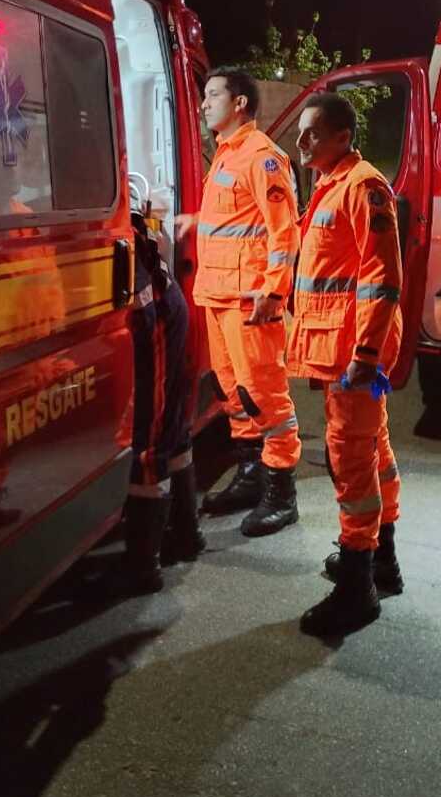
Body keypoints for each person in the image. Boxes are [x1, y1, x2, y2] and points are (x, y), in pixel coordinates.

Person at [287, 91, 403, 637]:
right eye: (301, 132)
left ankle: (358, 587)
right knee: (373, 450)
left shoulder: (363, 188)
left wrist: (366, 355)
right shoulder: (332, 183)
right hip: (341, 346)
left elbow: (383, 279)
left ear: (341, 137)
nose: (301, 141)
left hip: (353, 352)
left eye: (312, 133)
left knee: (351, 461)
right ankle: (382, 560)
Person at [179, 67, 302, 536]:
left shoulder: (262, 158)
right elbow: (234, 220)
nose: (203, 103)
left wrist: (273, 291)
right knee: (234, 394)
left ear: (240, 104)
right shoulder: (227, 155)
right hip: (218, 295)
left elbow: (283, 231)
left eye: (212, 96)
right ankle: (251, 476)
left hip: (251, 302)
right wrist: (194, 221)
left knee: (264, 396)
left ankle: (280, 493)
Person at [104, 209, 205, 594]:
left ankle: (143, 567)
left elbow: (141, 308)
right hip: (163, 310)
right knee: (172, 429)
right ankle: (186, 533)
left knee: (150, 435)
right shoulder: (123, 215)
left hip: (156, 317)